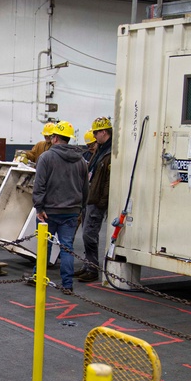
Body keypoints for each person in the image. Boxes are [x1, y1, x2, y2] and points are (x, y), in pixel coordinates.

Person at [30, 121, 88, 294]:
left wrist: (39, 207)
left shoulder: (46, 158)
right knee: (67, 248)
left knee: (44, 246)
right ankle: (67, 284)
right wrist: (80, 208)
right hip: (71, 211)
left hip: (48, 211)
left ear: (55, 138)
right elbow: (85, 188)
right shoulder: (81, 161)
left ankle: (38, 277)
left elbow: (39, 185)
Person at [77, 117, 113, 282]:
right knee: (87, 234)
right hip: (89, 198)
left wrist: (101, 202)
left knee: (89, 235)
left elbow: (108, 181)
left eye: (96, 133)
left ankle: (92, 268)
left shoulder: (110, 153)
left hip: (96, 200)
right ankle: (87, 265)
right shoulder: (100, 150)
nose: (94, 137)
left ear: (103, 132)